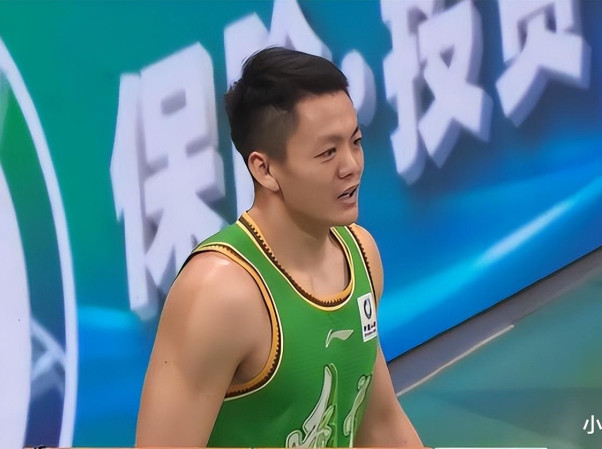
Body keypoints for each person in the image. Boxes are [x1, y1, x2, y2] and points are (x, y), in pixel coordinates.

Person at [135, 47, 422, 448]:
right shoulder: (218, 293)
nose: (352, 165)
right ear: (264, 168)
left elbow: (380, 425)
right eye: (327, 152)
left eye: (355, 142)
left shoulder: (361, 254)